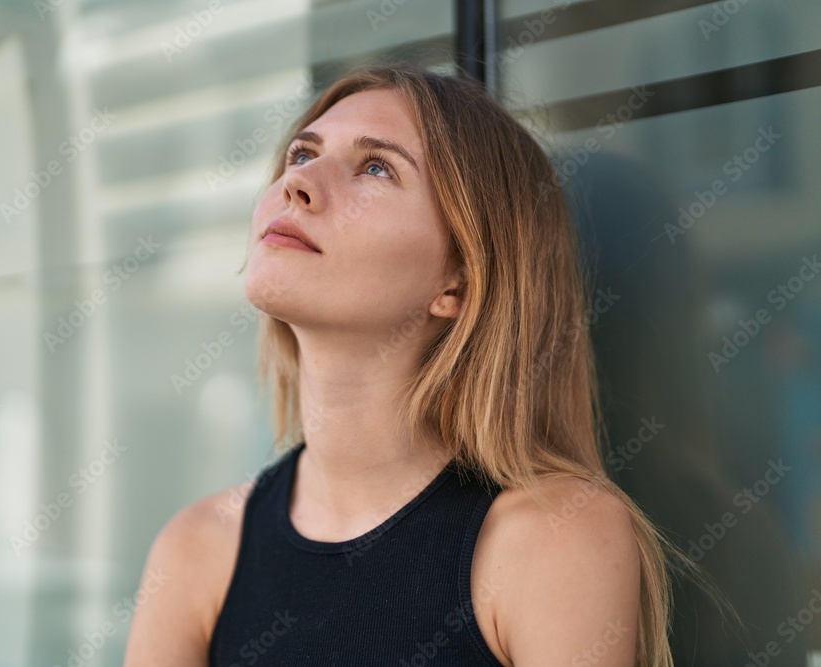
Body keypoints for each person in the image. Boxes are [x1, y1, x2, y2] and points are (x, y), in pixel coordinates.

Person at [124, 62, 679, 666]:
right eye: (301, 154)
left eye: (376, 167)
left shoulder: (555, 538)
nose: (299, 184)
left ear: (458, 283)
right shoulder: (198, 548)